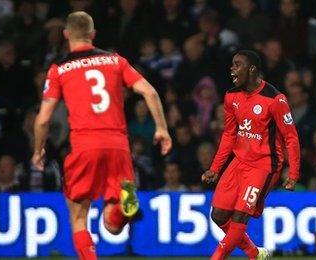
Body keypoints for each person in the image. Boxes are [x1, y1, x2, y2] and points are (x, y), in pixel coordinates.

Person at [31, 11, 172, 260]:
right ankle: (123, 208)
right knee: (112, 225)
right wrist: (161, 128)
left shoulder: (59, 68)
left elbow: (43, 119)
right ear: (93, 34)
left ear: (66, 34)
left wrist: (38, 150)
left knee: (78, 216)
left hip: (85, 145)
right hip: (118, 146)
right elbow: (150, 93)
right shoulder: (115, 61)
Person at [201, 50, 301, 260]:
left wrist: (293, 173)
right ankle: (254, 253)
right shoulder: (231, 96)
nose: (232, 69)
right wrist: (215, 168)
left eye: (237, 65)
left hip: (264, 164)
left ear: (252, 69)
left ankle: (216, 257)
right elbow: (229, 134)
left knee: (240, 215)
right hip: (239, 161)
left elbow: (291, 137)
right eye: (232, 64)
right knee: (218, 215)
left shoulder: (275, 99)